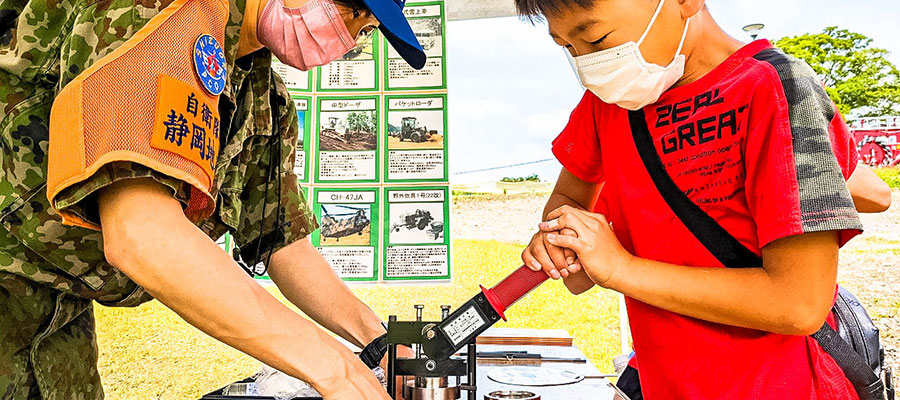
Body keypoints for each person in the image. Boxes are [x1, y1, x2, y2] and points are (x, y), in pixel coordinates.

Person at [0, 0, 423, 398]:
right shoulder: (157, 11)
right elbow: (140, 234)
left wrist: (378, 342)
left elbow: (281, 241)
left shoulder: (259, 93)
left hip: (57, 314)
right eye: (355, 14)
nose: (348, 38)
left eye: (365, 30)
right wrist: (336, 371)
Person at [515, 0, 891, 398]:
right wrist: (563, 239)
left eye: (596, 38)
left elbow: (798, 304)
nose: (588, 67)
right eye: (568, 48)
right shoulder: (608, 106)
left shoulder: (777, 90)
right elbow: (570, 200)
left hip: (780, 384)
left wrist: (620, 269)